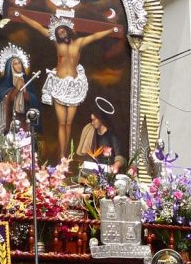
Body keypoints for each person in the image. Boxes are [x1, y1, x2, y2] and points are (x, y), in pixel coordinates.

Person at [17, 12, 117, 160]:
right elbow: (39, 28)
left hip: (74, 86)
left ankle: (64, 156)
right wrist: (21, 16)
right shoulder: (57, 43)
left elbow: (95, 36)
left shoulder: (79, 42)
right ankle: (60, 156)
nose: (61, 33)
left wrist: (111, 30)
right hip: (59, 84)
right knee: (61, 123)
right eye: (58, 32)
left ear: (68, 30)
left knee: (69, 123)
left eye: (63, 30)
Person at [0, 50, 40, 135]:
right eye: (15, 64)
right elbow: (1, 98)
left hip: (23, 118)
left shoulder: (26, 80)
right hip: (11, 117)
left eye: (19, 63)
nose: (18, 65)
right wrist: (16, 89)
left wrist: (24, 92)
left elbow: (32, 100)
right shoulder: (5, 82)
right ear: (10, 67)